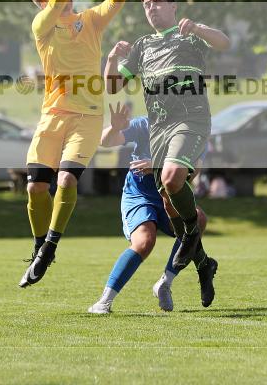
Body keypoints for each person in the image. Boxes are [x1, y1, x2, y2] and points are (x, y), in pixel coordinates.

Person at [20, 0, 141, 288]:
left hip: (87, 118)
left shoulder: (87, 21)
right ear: (43, 2)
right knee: (34, 189)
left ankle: (50, 246)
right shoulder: (42, 25)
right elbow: (56, 3)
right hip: (52, 117)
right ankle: (41, 245)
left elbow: (115, 3)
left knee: (68, 178)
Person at [105, 0, 230, 272]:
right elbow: (112, 86)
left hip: (190, 120)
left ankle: (189, 233)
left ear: (174, 8)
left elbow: (224, 43)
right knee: (168, 196)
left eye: (158, 2)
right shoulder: (142, 46)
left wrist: (197, 28)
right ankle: (202, 261)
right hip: (159, 128)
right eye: (147, 4)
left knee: (172, 178)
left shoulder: (189, 36)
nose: (152, 7)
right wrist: (112, 59)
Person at [87, 102, 216, 314]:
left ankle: (165, 283)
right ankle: (104, 301)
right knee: (145, 241)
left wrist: (157, 166)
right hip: (140, 194)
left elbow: (192, 174)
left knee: (199, 219)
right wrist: (115, 128)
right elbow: (106, 141)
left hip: (169, 195)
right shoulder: (145, 125)